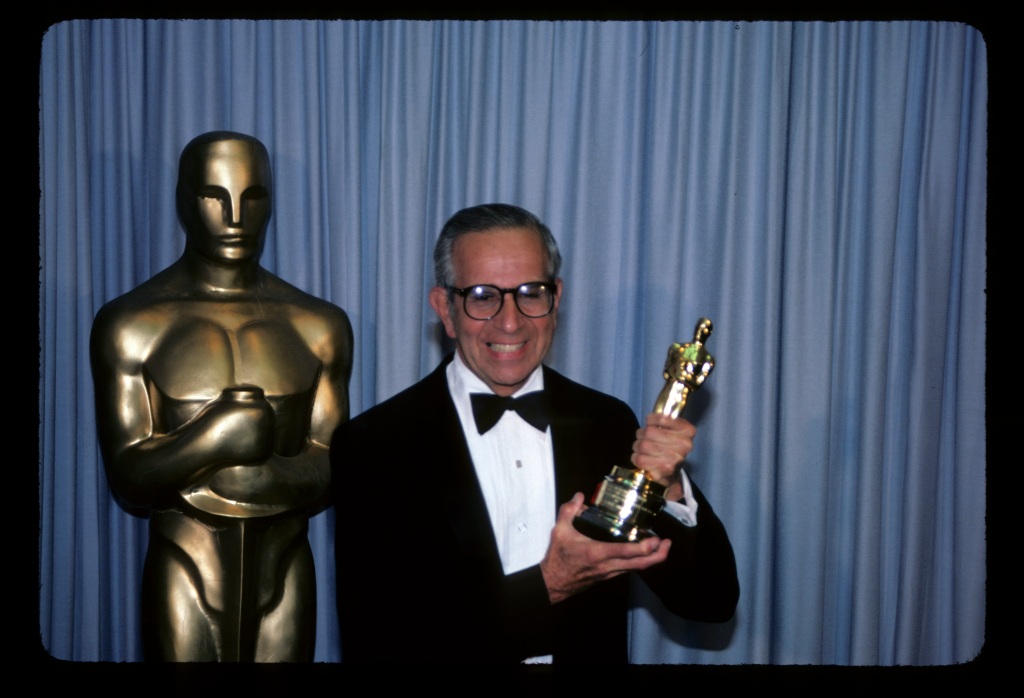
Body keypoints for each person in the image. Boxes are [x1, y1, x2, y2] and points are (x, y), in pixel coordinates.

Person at [331, 203, 737, 663]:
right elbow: (379, 643)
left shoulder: (606, 422)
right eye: (483, 296)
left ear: (556, 299)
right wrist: (548, 583)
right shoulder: (373, 446)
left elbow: (710, 602)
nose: (511, 321)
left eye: (531, 292)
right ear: (445, 309)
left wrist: (670, 486)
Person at [90, 131, 353, 661]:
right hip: (184, 558)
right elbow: (128, 477)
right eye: (215, 195)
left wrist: (270, 473)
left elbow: (336, 464)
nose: (235, 215)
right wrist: (215, 439)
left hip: (285, 563)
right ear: (184, 199)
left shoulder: (319, 325)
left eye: (253, 197)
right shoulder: (132, 324)